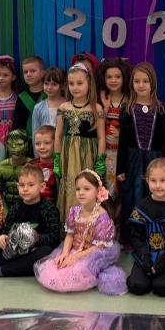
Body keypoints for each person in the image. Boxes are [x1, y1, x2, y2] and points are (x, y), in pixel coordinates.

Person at [34, 169, 127, 295]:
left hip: (93, 253)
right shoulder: (74, 211)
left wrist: (76, 257)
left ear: (98, 191)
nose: (81, 193)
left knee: (76, 272)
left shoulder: (102, 217)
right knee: (55, 267)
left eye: (86, 189)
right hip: (75, 249)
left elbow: (99, 246)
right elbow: (70, 234)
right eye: (78, 189)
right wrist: (65, 253)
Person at [0, 164, 61, 278]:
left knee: (47, 252)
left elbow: (54, 238)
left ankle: (0, 271)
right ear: (18, 186)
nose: (25, 189)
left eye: (31, 185)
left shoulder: (49, 208)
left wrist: (34, 238)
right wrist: (1, 238)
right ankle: (21, 267)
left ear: (42, 187)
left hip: (35, 250)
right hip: (15, 252)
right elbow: (6, 230)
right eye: (22, 185)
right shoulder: (15, 208)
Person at [117, 62, 165, 241]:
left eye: (145, 81)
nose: (141, 85)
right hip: (133, 160)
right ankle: (133, 236)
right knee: (133, 195)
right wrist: (120, 168)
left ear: (152, 84)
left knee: (153, 193)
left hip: (154, 160)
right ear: (131, 84)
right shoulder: (127, 109)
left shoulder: (162, 109)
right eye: (137, 81)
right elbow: (123, 141)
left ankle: (154, 234)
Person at [54, 63, 106, 224]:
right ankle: (69, 226)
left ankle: (87, 227)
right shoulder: (63, 108)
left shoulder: (96, 109)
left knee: (86, 187)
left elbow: (101, 138)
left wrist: (100, 161)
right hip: (68, 156)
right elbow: (58, 136)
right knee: (70, 188)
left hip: (87, 155)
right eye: (71, 84)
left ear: (89, 83)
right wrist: (56, 159)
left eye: (79, 83)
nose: (75, 87)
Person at [127, 159, 165, 297]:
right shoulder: (142, 205)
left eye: (163, 180)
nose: (158, 185)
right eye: (153, 181)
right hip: (145, 256)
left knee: (162, 288)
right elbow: (136, 236)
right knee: (138, 286)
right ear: (147, 181)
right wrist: (144, 256)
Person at [97, 58, 131, 223]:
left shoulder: (130, 99)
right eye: (109, 77)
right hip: (107, 153)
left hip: (124, 155)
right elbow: (97, 126)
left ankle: (120, 226)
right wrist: (105, 108)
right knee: (106, 192)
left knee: (123, 192)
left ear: (124, 78)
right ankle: (109, 226)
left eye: (117, 76)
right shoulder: (101, 99)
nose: (113, 80)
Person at [0, 129, 31, 209]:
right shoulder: (0, 167)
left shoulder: (34, 166)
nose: (14, 147)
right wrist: (2, 211)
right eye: (10, 144)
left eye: (19, 144)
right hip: (5, 209)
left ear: (26, 146)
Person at [12, 56, 46, 144]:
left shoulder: (49, 95)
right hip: (28, 144)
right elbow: (17, 126)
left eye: (33, 71)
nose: (28, 74)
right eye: (25, 72)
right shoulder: (22, 97)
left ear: (43, 73)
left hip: (49, 142)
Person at [31, 67, 65, 134]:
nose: (49, 87)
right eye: (46, 84)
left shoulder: (69, 105)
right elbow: (35, 131)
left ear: (62, 86)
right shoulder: (38, 108)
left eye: (54, 84)